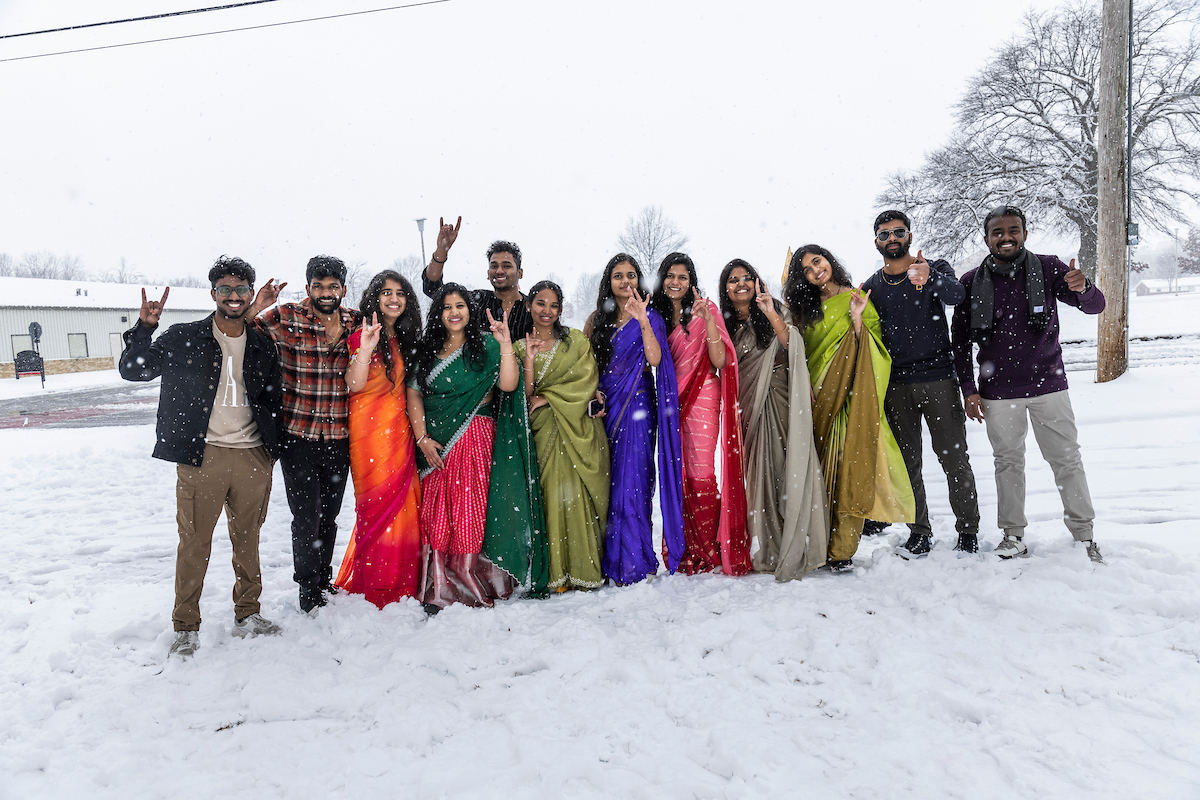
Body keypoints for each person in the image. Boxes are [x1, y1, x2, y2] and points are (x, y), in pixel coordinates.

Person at [119, 256, 282, 659]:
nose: (232, 296)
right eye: (224, 288)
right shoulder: (183, 337)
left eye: (241, 289)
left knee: (249, 541)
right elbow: (133, 371)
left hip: (251, 455)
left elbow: (273, 399)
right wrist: (144, 329)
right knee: (194, 542)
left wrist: (270, 451)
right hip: (202, 456)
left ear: (249, 294)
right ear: (212, 293)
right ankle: (186, 626)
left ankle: (247, 614)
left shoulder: (263, 343)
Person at [950, 206, 1105, 563]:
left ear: (1025, 232)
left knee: (1067, 460)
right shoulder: (972, 281)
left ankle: (1085, 536)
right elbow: (959, 341)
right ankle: (1013, 535)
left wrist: (1085, 288)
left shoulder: (1049, 267)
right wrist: (968, 389)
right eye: (998, 232)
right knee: (1007, 463)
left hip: (1049, 386)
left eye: (1013, 230)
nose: (1006, 237)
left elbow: (1095, 307)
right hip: (998, 392)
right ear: (986, 238)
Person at [407, 283, 546, 607]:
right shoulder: (427, 350)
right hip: (437, 444)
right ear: (438, 314)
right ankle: (439, 584)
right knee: (438, 513)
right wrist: (422, 437)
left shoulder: (487, 345)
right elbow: (414, 392)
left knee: (472, 511)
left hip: (477, 439)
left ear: (470, 311)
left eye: (460, 306)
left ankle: (468, 572)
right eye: (447, 307)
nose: (454, 313)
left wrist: (506, 345)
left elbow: (509, 385)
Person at [785, 245, 915, 572]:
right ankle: (816, 542)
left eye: (817, 261)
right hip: (815, 402)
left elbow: (874, 349)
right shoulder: (804, 309)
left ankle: (842, 549)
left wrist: (857, 318)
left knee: (849, 471)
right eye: (807, 269)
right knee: (817, 475)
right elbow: (798, 354)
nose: (816, 270)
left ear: (828, 259)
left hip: (850, 402)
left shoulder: (857, 297)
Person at [862, 210, 981, 557]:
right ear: (877, 243)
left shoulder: (935, 268)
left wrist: (930, 278)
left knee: (954, 460)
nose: (892, 238)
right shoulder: (871, 287)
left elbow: (958, 296)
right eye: (885, 235)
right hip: (896, 386)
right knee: (908, 463)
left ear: (910, 236)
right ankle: (920, 530)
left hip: (939, 379)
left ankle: (969, 530)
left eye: (899, 232)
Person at [247, 256, 361, 614]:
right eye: (318, 286)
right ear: (308, 286)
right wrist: (257, 305)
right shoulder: (284, 317)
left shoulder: (355, 321)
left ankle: (324, 577)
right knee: (306, 517)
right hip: (298, 436)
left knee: (329, 515)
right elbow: (244, 330)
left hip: (340, 436)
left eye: (333, 287)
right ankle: (308, 589)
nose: (326, 293)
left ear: (342, 288)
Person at [720, 259, 829, 580]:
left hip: (780, 397)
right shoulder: (722, 322)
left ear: (756, 282)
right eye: (733, 279)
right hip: (747, 402)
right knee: (756, 473)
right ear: (725, 288)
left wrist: (768, 311)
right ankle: (765, 543)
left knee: (786, 468)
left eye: (746, 278)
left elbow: (790, 345)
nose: (741, 284)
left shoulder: (773, 308)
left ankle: (793, 539)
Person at [584, 254, 684, 585]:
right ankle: (609, 560)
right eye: (617, 276)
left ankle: (634, 562)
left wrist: (642, 320)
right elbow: (586, 369)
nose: (625, 281)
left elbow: (655, 359)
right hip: (605, 410)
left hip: (638, 408)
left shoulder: (651, 315)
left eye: (631, 275)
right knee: (607, 486)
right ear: (608, 282)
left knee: (633, 485)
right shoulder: (597, 319)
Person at [650, 253, 750, 576]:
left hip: (704, 395)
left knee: (701, 472)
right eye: (670, 276)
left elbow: (719, 361)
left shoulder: (706, 311)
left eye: (682, 276)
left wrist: (707, 321)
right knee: (677, 474)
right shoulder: (658, 315)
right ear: (663, 279)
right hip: (670, 403)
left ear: (691, 280)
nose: (675, 282)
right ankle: (684, 548)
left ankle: (708, 547)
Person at [334, 270, 425, 608]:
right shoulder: (362, 335)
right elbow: (354, 384)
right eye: (386, 292)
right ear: (375, 297)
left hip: (399, 434)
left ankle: (403, 580)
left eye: (400, 293)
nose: (393, 299)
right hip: (368, 435)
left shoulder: (405, 338)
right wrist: (365, 348)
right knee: (375, 509)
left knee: (404, 508)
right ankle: (378, 582)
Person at [516, 280, 610, 591]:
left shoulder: (577, 342)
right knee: (550, 497)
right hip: (542, 433)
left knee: (575, 496)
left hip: (575, 429)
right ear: (529, 305)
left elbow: (587, 383)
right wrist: (528, 360)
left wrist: (549, 398)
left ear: (561, 309)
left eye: (554, 305)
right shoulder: (518, 347)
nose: (547, 311)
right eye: (540, 303)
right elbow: (524, 395)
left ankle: (582, 568)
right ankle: (554, 570)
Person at [420, 216, 531, 339]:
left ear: (520, 273)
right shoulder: (476, 301)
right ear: (488, 274)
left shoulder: (533, 308)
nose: (499, 271)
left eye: (506, 266)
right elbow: (432, 288)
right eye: (494, 266)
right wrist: (441, 250)